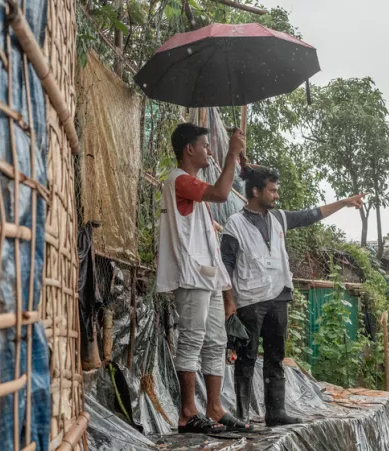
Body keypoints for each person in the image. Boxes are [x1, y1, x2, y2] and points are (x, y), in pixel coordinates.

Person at [221, 165, 365, 426]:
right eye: (272, 190)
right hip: (249, 300)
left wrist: (343, 203)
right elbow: (225, 266)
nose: (276, 196)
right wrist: (229, 302)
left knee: (275, 357)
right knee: (246, 358)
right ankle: (242, 415)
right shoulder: (235, 225)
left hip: (278, 297)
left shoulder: (279, 218)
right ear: (256, 191)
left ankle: (275, 413)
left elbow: (311, 215)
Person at [156, 123, 253, 434]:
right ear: (189, 150)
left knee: (216, 341)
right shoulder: (179, 181)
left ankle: (214, 407)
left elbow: (210, 246)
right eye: (205, 145)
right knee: (192, 339)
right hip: (192, 276)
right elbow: (222, 194)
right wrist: (233, 153)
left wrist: (226, 294)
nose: (209, 150)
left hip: (207, 277)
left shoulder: (192, 189)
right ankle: (187, 413)